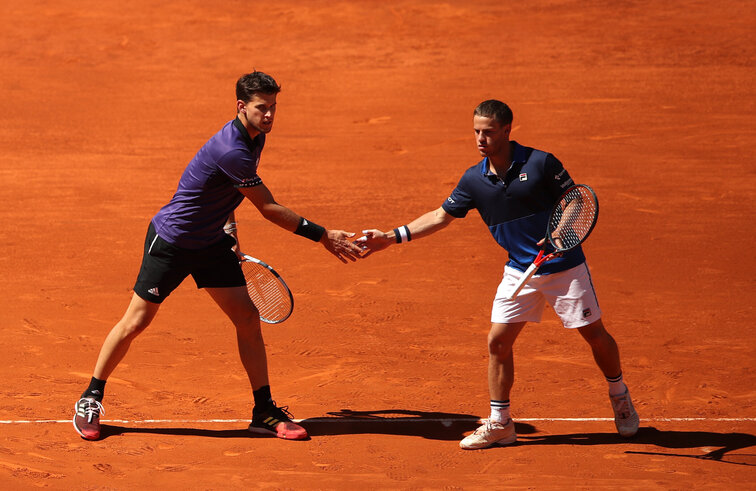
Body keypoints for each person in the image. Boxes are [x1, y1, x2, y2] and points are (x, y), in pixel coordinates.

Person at [73, 71, 364, 442]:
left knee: (246, 316)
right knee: (136, 321)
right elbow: (269, 208)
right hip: (173, 241)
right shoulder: (232, 149)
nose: (270, 115)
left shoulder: (254, 137)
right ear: (241, 107)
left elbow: (225, 193)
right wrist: (323, 236)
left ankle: (264, 410)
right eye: (262, 108)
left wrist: (230, 232)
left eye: (274, 107)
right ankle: (91, 396)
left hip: (211, 241)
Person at [357, 100, 639, 450]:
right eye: (476, 131)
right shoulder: (475, 180)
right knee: (498, 343)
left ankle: (619, 394)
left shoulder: (540, 163)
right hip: (519, 270)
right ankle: (502, 423)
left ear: (507, 130)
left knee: (594, 335)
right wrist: (391, 236)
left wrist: (559, 236)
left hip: (563, 269)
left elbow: (576, 201)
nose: (480, 138)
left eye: (488, 132)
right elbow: (440, 216)